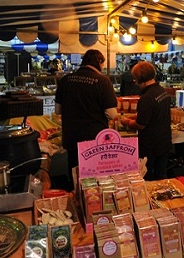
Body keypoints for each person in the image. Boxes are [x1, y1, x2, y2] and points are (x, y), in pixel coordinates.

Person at [55, 49, 118, 189]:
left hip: (71, 136)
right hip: (93, 138)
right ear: (100, 62)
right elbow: (112, 114)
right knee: (93, 179)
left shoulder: (65, 80)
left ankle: (75, 200)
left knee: (74, 174)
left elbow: (58, 110)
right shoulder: (103, 81)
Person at [120, 61, 172, 181]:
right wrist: (134, 116)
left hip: (150, 146)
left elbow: (140, 125)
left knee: (146, 178)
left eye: (135, 79)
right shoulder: (162, 91)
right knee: (161, 177)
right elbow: (153, 114)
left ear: (139, 78)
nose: (135, 82)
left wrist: (126, 122)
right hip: (164, 142)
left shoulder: (146, 98)